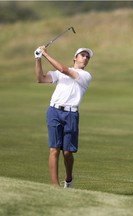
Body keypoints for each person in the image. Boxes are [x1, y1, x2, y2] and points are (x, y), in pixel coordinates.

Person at [34, 46, 93, 188]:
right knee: (54, 149)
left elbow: (64, 70)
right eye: (82, 55)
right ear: (75, 57)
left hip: (71, 114)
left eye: (87, 57)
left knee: (67, 152)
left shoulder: (86, 76)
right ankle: (55, 187)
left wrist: (46, 54)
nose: (85, 58)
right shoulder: (60, 73)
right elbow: (41, 79)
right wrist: (38, 59)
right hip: (54, 111)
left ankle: (68, 179)